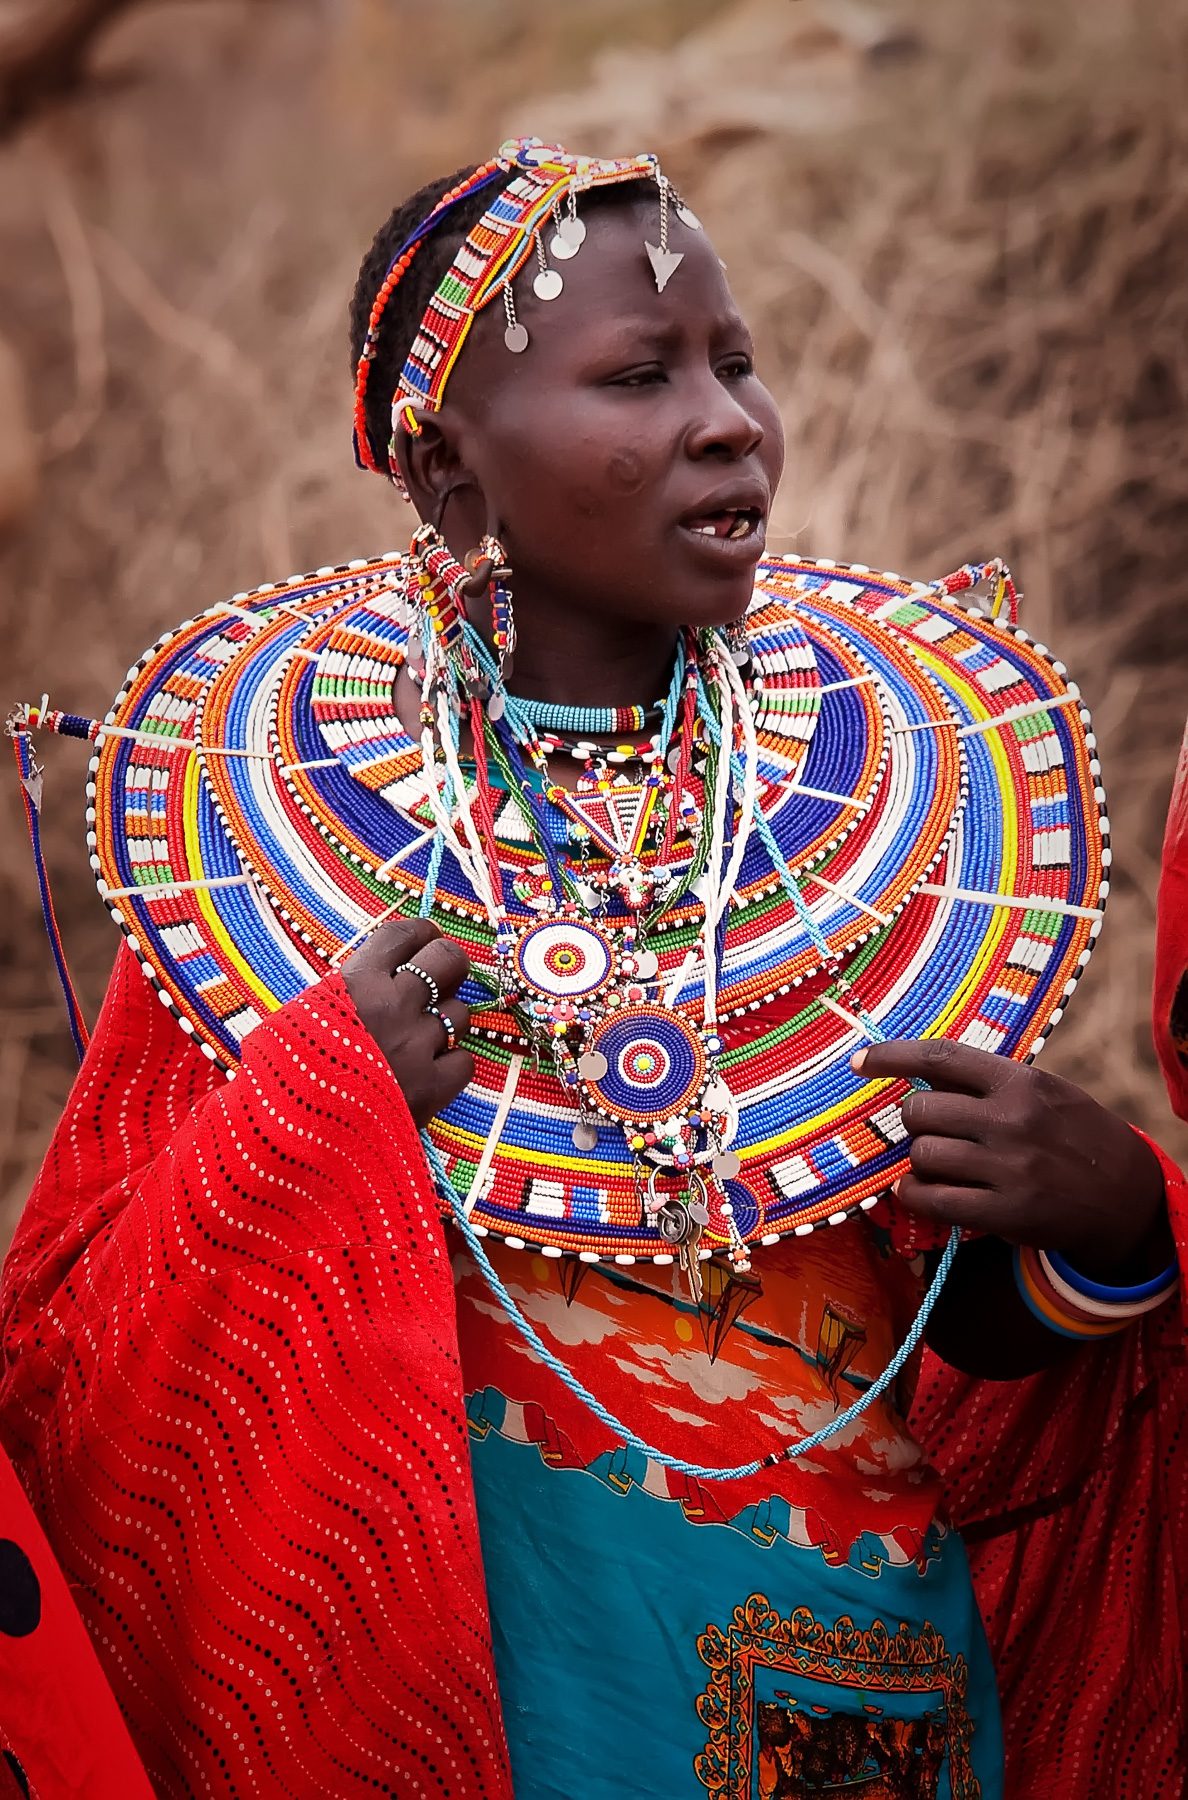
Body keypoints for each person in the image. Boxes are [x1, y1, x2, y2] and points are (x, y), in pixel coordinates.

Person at [1, 138, 1185, 1800]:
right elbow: (78, 1370)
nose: (726, 419)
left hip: (885, 1714)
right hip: (506, 1714)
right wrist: (317, 1107)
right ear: (450, 478)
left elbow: (950, 1338)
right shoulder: (270, 849)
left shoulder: (888, 811)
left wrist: (1113, 1226)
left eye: (737, 362)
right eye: (640, 375)